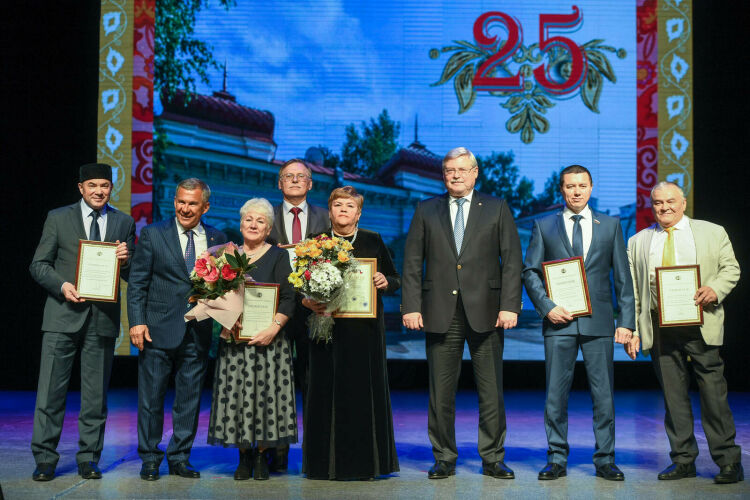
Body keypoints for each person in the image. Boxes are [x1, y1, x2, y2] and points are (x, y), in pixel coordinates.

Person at [402, 147, 523, 480]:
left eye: (461, 169)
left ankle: (493, 458)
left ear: (475, 172)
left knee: (491, 391)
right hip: (439, 312)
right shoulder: (426, 209)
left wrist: (510, 305)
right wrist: (411, 306)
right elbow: (412, 263)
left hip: (488, 312)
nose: (455, 175)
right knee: (440, 393)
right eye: (449, 170)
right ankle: (444, 457)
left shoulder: (497, 208)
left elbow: (512, 261)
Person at [625, 181, 743, 484]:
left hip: (700, 321)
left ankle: (728, 461)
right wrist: (634, 329)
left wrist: (715, 289)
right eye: (658, 203)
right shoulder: (638, 241)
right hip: (660, 326)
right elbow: (634, 291)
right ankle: (683, 460)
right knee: (673, 397)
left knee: (713, 394)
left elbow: (731, 269)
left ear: (683, 203)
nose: (664, 207)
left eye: (670, 201)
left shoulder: (712, 232)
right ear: (652, 206)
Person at [522, 164, 635, 481]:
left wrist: (626, 322)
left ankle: (605, 459)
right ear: (561, 189)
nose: (576, 191)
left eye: (582, 185)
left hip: (599, 323)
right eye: (570, 186)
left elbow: (623, 278)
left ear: (591, 187)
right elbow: (530, 272)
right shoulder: (544, 225)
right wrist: (547, 307)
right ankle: (556, 458)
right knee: (555, 395)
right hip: (559, 322)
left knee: (604, 395)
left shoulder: (610, 225)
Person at [29, 163, 135, 481]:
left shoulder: (124, 222)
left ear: (111, 188)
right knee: (50, 393)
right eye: (92, 185)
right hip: (61, 316)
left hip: (102, 320)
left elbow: (132, 275)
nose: (99, 191)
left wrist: (126, 260)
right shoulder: (58, 218)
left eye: (104, 185)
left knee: (95, 397)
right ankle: (45, 459)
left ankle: (89, 458)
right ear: (81, 188)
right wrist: (62, 285)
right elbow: (39, 265)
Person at [127, 178, 227, 481]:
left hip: (197, 331)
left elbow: (224, 288)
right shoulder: (153, 234)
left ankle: (180, 458)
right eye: (181, 202)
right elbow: (138, 283)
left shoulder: (218, 239)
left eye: (192, 203)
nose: (185, 208)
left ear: (205, 207)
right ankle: (149, 458)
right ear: (174, 202)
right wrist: (136, 321)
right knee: (151, 399)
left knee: (189, 400)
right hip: (157, 329)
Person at [302, 186, 400, 480]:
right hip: (327, 331)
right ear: (329, 210)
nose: (343, 209)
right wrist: (307, 301)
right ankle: (324, 466)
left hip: (364, 333)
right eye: (338, 205)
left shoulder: (373, 240)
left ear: (359, 213)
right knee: (325, 395)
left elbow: (395, 279)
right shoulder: (315, 242)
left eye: (350, 206)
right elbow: (299, 286)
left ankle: (366, 465)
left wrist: (385, 281)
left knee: (362, 396)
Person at [207, 198, 297, 481]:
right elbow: (214, 296)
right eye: (249, 219)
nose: (254, 225)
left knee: (266, 401)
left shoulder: (279, 256)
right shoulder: (226, 256)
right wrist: (226, 317)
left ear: (268, 228)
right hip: (236, 343)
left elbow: (289, 298)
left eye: (261, 221)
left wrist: (274, 327)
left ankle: (261, 455)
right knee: (238, 400)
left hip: (270, 342)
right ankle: (243, 456)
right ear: (241, 223)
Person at [267, 158, 329, 471]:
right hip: (275, 310)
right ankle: (276, 451)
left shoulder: (326, 217)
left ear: (310, 184)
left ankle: (315, 452)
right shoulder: (264, 216)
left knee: (314, 382)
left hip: (314, 311)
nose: (294, 180)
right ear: (279, 183)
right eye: (288, 176)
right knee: (275, 383)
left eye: (300, 176)